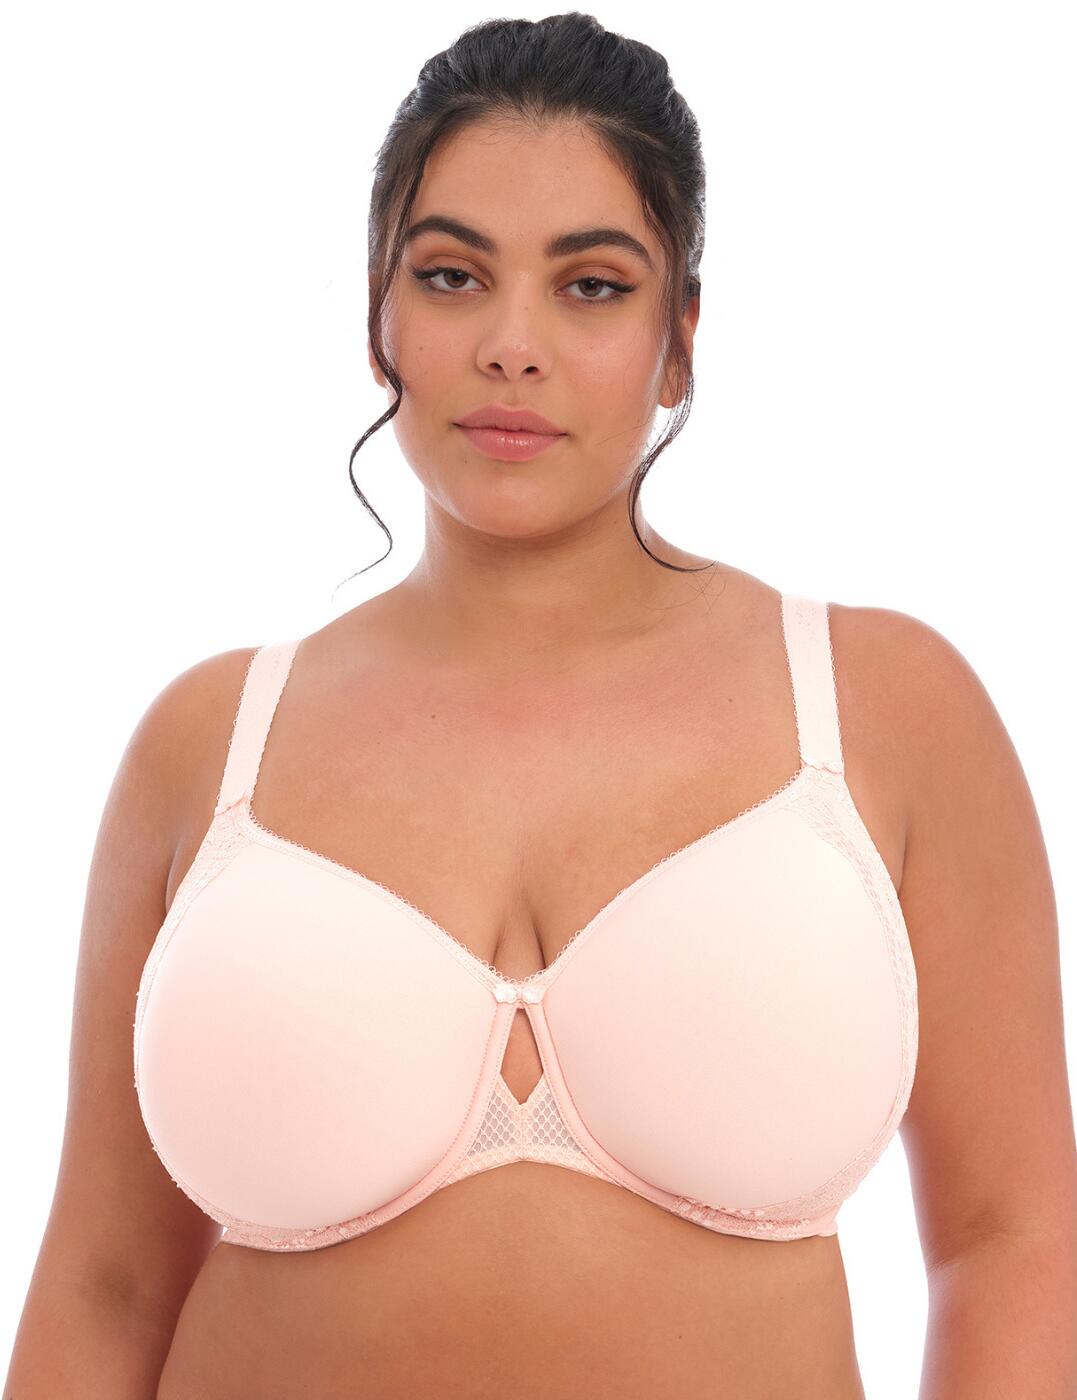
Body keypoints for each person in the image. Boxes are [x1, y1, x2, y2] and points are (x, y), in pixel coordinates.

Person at [8, 13, 1076, 1399]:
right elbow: (103, 1286)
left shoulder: (883, 708)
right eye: (452, 276)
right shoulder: (207, 745)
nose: (513, 345)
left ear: (678, 340)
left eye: (591, 286)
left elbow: (1009, 1240)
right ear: (379, 319)